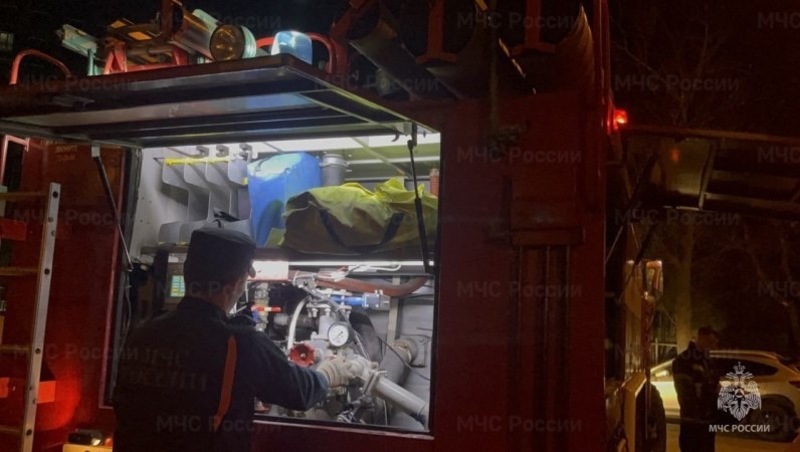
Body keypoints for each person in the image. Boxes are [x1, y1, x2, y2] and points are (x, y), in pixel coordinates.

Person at [113, 228, 353, 452]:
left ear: (186, 271)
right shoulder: (238, 343)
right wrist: (329, 374)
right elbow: (299, 392)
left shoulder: (141, 334)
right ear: (235, 284)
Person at [673, 326, 721, 452]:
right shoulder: (684, 361)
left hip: (706, 421)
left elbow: (714, 385)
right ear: (701, 339)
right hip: (692, 423)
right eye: (711, 342)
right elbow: (685, 394)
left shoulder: (708, 361)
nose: (714, 346)